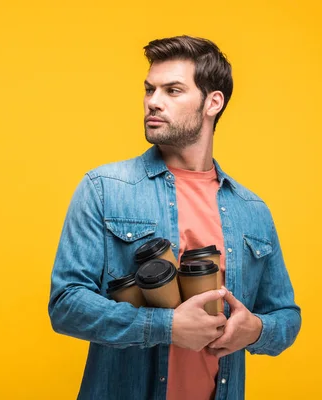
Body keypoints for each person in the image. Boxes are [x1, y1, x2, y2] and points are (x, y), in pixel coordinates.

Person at [48, 35, 301, 400]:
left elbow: (287, 317)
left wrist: (257, 330)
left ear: (213, 102)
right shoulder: (104, 188)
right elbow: (66, 305)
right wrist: (165, 327)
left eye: (173, 90)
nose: (153, 102)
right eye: (150, 89)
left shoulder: (252, 210)